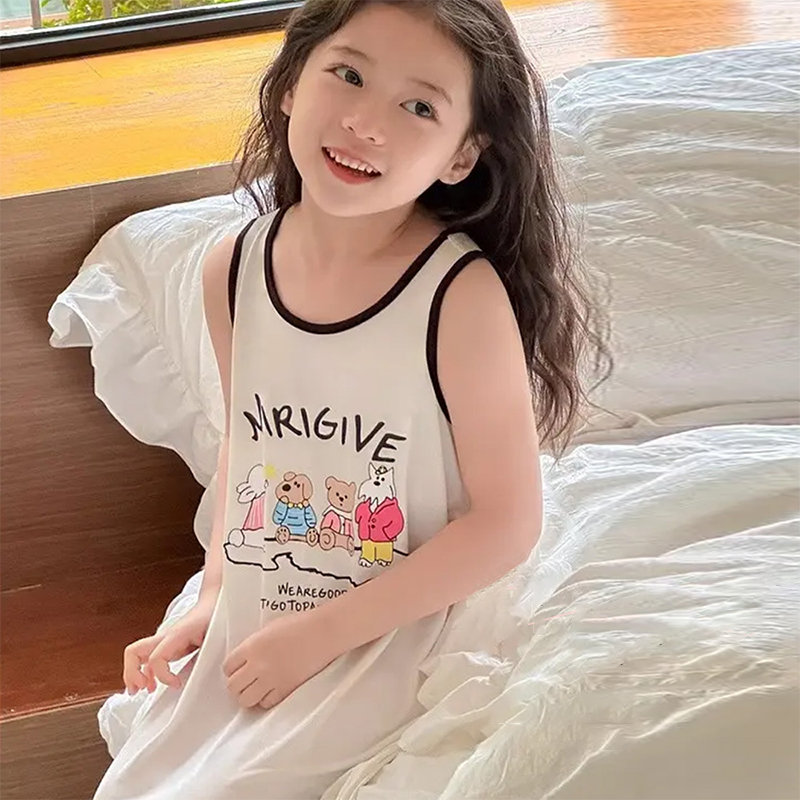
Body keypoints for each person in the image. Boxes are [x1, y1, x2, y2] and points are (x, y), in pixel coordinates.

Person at [93, 0, 612, 797]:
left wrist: (318, 637)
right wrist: (212, 597)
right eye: (347, 74)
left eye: (418, 107)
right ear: (290, 85)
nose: (366, 123)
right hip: (263, 607)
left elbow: (507, 525)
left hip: (397, 620)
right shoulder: (231, 266)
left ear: (461, 155)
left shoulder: (458, 295)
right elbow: (248, 452)